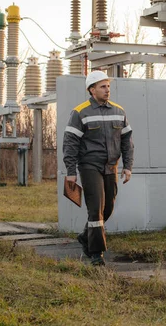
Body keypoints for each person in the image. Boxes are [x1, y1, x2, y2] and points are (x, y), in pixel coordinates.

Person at [63, 71, 134, 266]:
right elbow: (70, 144)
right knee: (95, 210)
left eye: (108, 86)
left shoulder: (119, 111)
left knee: (107, 208)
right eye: (103, 86)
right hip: (89, 166)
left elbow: (127, 142)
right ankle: (96, 253)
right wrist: (71, 172)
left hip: (111, 166)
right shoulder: (80, 112)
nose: (107, 90)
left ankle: (85, 236)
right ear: (92, 90)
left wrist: (127, 166)